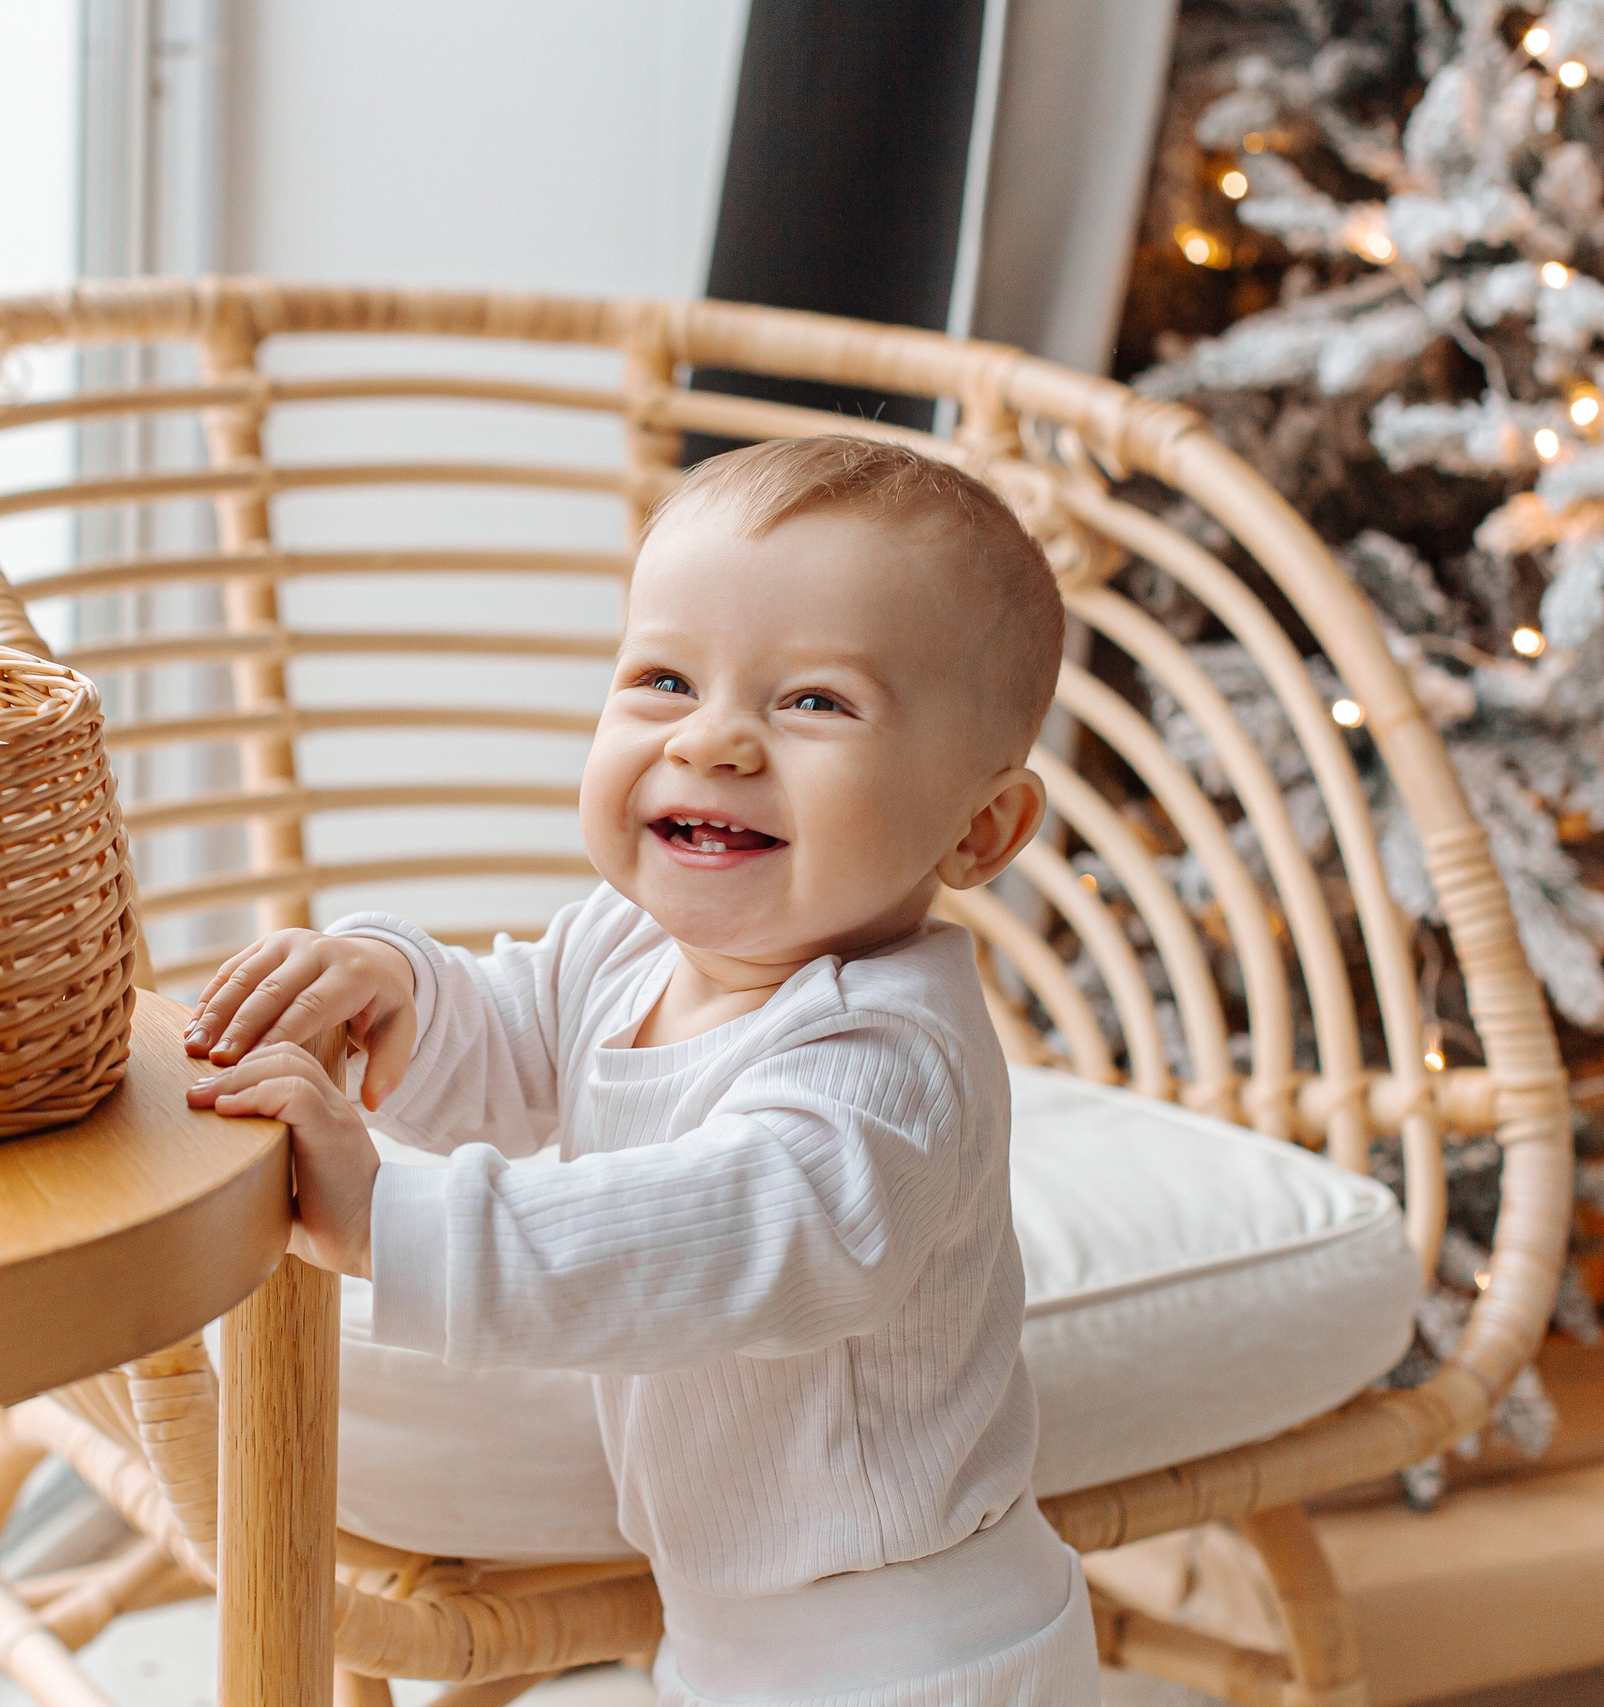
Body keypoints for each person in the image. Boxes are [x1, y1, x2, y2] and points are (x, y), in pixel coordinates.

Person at [185, 434, 1096, 1705]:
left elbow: (728, 1235)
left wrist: (393, 1219)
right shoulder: (626, 943)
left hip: (914, 1651)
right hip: (726, 1629)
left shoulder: (889, 1057)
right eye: (663, 679)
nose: (714, 741)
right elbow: (507, 1033)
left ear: (978, 826)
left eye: (815, 702)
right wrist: (393, 980)